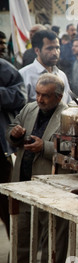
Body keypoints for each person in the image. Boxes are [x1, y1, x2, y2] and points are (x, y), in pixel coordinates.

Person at [1, 74, 70, 263]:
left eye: (46, 96)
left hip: (50, 186)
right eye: (38, 94)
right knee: (20, 231)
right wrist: (15, 134)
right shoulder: (29, 109)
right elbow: (12, 128)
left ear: (58, 97)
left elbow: (71, 149)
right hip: (23, 182)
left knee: (51, 235)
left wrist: (45, 148)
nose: (40, 99)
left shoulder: (67, 116)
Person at [0, 58, 27, 240]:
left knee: (6, 203)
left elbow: (20, 95)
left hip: (0, 151)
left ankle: (18, 252)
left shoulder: (3, 67)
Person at [19, 29, 72, 104]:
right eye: (49, 48)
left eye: (57, 48)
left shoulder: (61, 75)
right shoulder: (24, 75)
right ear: (37, 50)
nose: (55, 53)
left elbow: (68, 104)